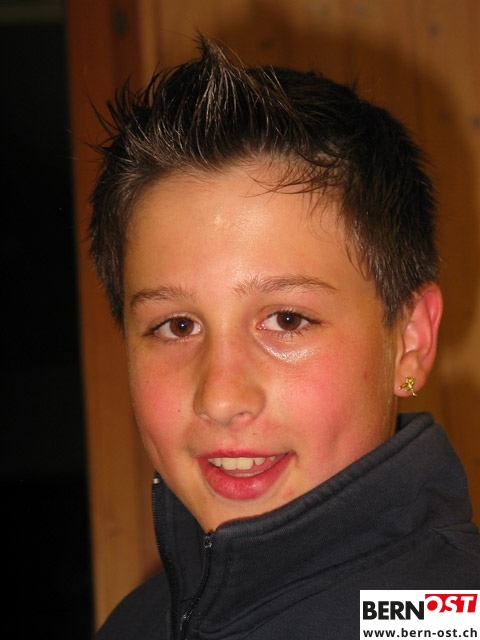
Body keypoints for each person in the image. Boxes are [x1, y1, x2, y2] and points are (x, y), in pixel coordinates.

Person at [89, 36, 480, 639]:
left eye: (288, 320)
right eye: (178, 325)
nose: (221, 397)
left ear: (411, 339)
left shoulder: (451, 619)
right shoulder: (132, 626)